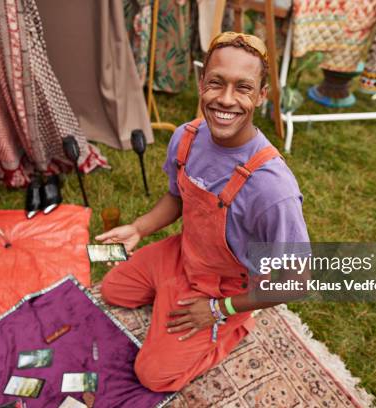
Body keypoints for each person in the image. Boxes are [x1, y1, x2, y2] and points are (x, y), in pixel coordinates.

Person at [96, 32, 309, 392]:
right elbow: (177, 198)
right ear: (201, 84)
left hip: (224, 285)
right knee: (114, 290)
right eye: (216, 83)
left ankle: (234, 327)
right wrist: (139, 228)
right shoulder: (187, 136)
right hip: (183, 254)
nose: (226, 99)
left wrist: (217, 309)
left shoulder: (274, 188)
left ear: (261, 95)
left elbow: (297, 282)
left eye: (243, 88)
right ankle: (171, 292)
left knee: (154, 376)